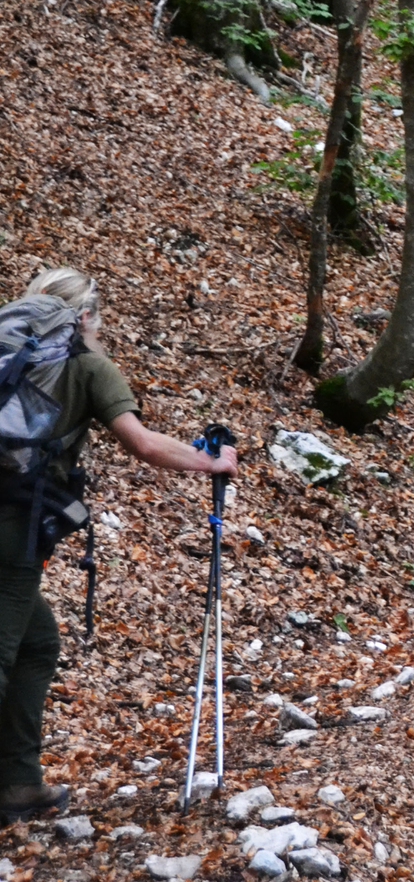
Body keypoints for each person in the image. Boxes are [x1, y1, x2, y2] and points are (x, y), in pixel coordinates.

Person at [0, 269, 237, 823]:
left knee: (36, 641)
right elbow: (144, 444)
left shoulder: (5, 353)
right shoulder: (85, 364)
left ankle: (16, 783)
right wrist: (211, 460)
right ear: (84, 316)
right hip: (11, 532)